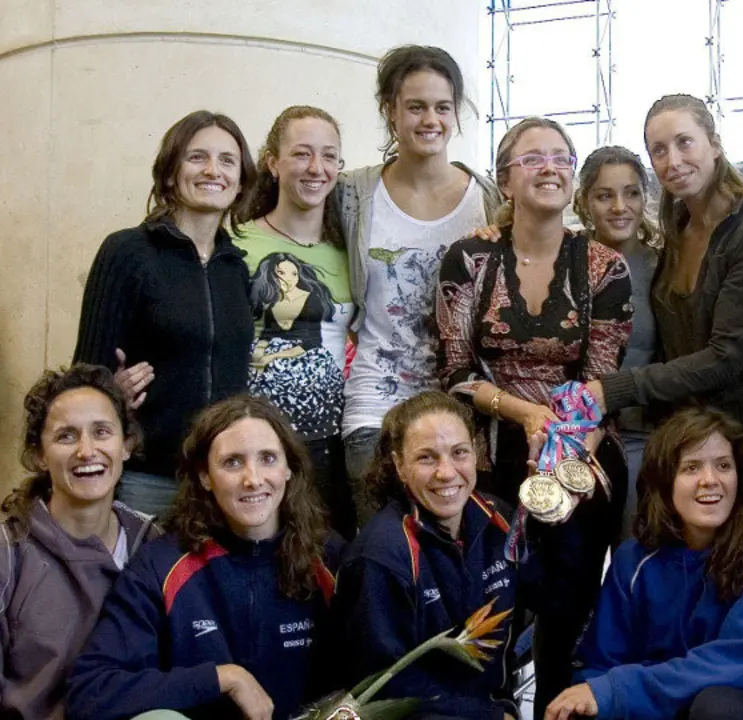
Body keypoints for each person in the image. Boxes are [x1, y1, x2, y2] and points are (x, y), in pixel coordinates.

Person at [435, 116, 632, 716]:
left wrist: (561, 450)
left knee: (567, 613)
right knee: (491, 608)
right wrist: (523, 414)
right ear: (504, 180)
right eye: (533, 158)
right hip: (488, 456)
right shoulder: (469, 258)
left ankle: (555, 706)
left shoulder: (604, 267)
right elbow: (455, 372)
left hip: (581, 452)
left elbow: (599, 380)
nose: (550, 167)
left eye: (561, 158)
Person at [67, 396, 340, 720]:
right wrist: (221, 679)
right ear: (205, 476)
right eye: (232, 462)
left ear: (289, 469)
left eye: (268, 458)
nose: (253, 479)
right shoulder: (161, 565)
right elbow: (90, 691)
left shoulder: (331, 559)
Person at [584, 94, 743, 509]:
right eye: (659, 151)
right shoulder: (679, 226)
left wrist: (614, 389)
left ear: (714, 144)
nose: (673, 161)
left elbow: (725, 358)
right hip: (684, 440)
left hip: (741, 443)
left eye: (684, 143)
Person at [547, 406, 743, 720]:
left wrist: (617, 690)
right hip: (660, 711)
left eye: (723, 465)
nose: (710, 480)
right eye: (691, 468)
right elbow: (601, 665)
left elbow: (741, 654)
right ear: (664, 481)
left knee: (716, 705)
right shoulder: (633, 560)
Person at [337, 45, 502, 510]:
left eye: (442, 107)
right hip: (374, 404)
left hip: (459, 411)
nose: (431, 119)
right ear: (390, 110)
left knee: (451, 547)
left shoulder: (486, 199)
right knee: (383, 543)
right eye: (416, 107)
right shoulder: (353, 194)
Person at [73, 110, 257, 517]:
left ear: (241, 181)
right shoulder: (128, 252)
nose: (213, 170)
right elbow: (82, 379)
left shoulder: (235, 268)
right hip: (147, 480)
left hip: (221, 479)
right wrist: (111, 396)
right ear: (171, 173)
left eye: (227, 161)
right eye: (197, 157)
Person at [334, 391, 523, 720]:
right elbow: (384, 686)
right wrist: (490, 717)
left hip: (492, 706)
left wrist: (558, 522)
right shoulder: (380, 557)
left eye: (459, 452)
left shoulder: (499, 519)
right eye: (426, 458)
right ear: (399, 465)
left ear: (476, 452)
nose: (446, 472)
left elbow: (553, 599)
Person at [0, 365, 159, 718]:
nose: (87, 451)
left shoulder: (152, 545)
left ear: (126, 445)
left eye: (102, 432)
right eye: (66, 436)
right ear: (40, 456)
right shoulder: (9, 553)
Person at [235, 105, 356, 538]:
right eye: (302, 153)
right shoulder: (238, 243)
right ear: (272, 163)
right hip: (256, 440)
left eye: (329, 156)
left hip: (328, 441)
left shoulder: (348, 251)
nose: (316, 168)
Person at [572, 145, 661, 532]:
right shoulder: (564, 257)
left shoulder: (664, 266)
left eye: (631, 193)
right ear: (584, 201)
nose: (619, 207)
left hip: (641, 434)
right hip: (573, 434)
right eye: (605, 195)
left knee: (633, 548)